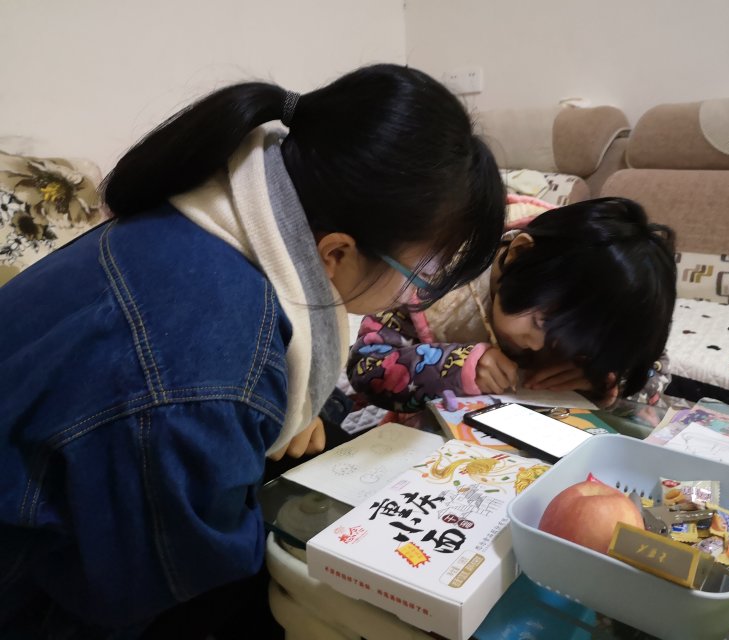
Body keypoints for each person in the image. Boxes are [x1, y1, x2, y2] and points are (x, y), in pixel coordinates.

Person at [0, 64, 506, 637]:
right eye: (426, 269)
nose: (416, 293)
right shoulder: (209, 369)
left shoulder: (199, 216)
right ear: (337, 253)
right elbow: (181, 584)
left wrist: (283, 416)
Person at [348, 197, 677, 412]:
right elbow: (366, 368)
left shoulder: (599, 303)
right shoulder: (428, 273)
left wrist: (604, 380)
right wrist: (457, 366)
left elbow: (651, 369)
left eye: (571, 344)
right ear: (518, 254)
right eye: (541, 324)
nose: (539, 348)